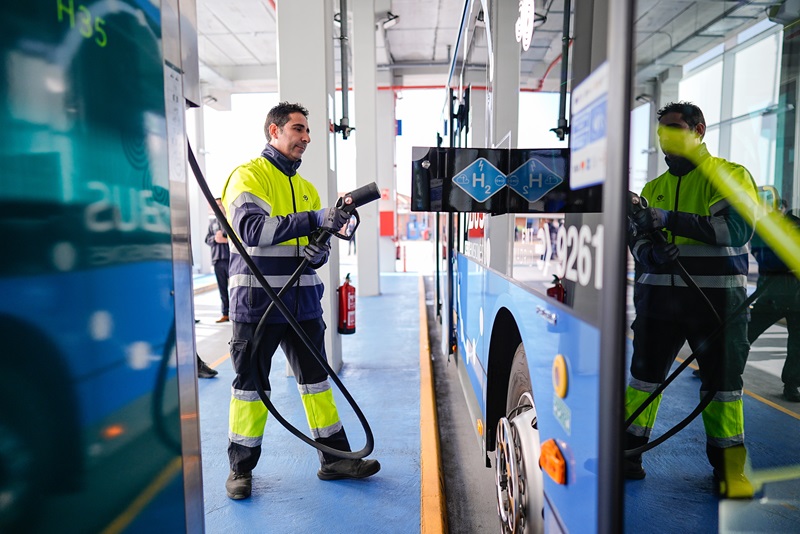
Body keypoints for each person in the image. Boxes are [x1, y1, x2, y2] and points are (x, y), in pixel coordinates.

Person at [220, 102, 380, 500]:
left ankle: (336, 459)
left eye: (308, 131)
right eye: (298, 129)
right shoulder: (248, 176)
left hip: (303, 302)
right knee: (250, 387)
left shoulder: (306, 188)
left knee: (316, 382)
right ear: (273, 132)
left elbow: (317, 247)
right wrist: (314, 220)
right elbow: (253, 229)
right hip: (258, 305)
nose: (306, 138)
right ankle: (241, 470)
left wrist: (319, 249)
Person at [625, 101, 759, 498]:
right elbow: (637, 238)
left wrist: (669, 220)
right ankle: (629, 453)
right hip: (659, 304)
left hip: (716, 305)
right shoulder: (653, 189)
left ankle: (728, 470)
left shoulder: (728, 176)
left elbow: (735, 229)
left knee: (723, 390)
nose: (667, 136)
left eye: (675, 127)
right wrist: (648, 252)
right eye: (662, 129)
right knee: (643, 381)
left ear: (699, 130)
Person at [747, 199, 800, 402]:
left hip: (796, 298)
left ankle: (792, 384)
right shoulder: (767, 233)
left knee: (798, 344)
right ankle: (720, 368)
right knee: (745, 333)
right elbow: (766, 259)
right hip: (772, 296)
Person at [205, 198, 230, 323]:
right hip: (217, 260)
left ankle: (237, 312)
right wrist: (215, 239)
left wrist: (225, 240)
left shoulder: (231, 221)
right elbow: (207, 239)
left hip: (231, 259)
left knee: (236, 288)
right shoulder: (213, 223)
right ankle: (225, 314)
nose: (218, 207)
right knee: (222, 288)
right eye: (216, 205)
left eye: (220, 205)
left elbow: (239, 239)